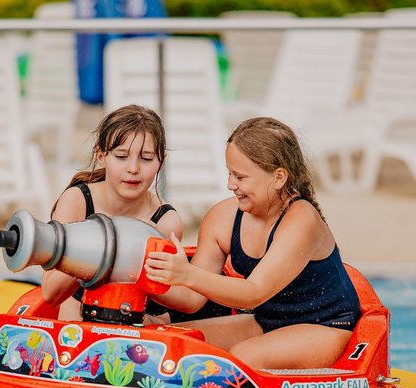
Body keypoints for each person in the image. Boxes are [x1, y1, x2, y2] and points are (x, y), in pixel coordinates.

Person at [144, 117, 361, 370]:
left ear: (279, 177)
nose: (230, 185)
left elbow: (253, 293)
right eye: (229, 173)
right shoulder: (223, 218)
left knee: (243, 360)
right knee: (166, 341)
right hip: (265, 322)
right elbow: (192, 298)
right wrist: (146, 280)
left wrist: (186, 273)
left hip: (324, 326)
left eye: (240, 176)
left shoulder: (301, 220)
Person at [42, 104, 183, 320]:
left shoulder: (165, 222)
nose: (133, 168)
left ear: (161, 161)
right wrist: (103, 246)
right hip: (77, 327)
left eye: (146, 159)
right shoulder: (77, 201)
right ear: (101, 156)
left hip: (142, 325)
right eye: (121, 156)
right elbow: (51, 293)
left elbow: (166, 297)